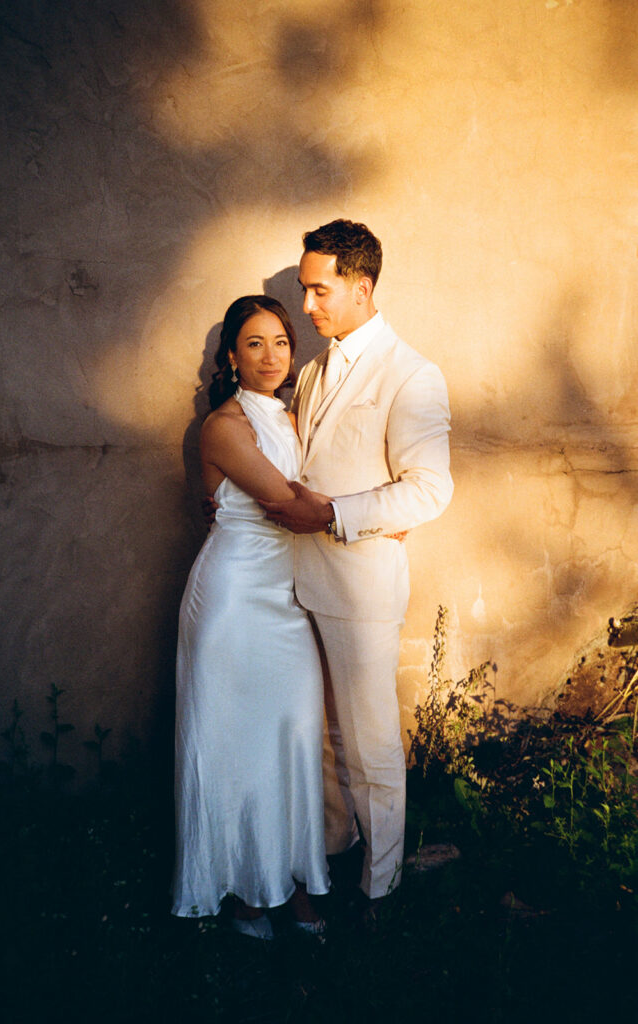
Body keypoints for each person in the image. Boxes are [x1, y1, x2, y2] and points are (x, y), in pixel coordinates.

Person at [260, 220, 453, 917]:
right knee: (318, 734)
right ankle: (333, 852)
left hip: (360, 585)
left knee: (371, 745)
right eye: (305, 290)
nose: (306, 305)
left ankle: (382, 886)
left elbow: (429, 488)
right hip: (297, 579)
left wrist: (337, 514)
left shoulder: (411, 374)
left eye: (319, 290)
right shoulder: (311, 369)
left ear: (361, 286)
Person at [171, 295, 330, 940]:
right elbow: (285, 501)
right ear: (232, 357)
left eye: (281, 343)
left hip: (288, 597)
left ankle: (290, 880)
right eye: (255, 344)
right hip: (234, 600)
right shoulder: (223, 425)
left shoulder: (295, 418)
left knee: (291, 739)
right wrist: (375, 515)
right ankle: (244, 893)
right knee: (235, 744)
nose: (271, 356)